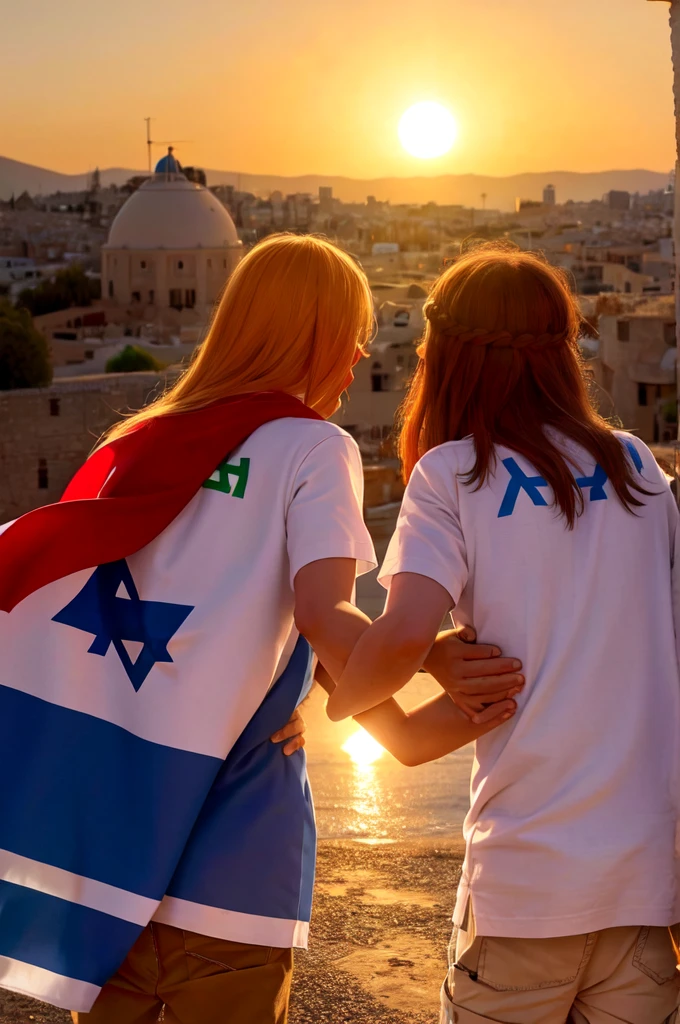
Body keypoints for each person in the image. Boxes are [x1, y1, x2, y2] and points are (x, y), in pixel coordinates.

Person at [0, 234, 522, 1024]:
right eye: (348, 332)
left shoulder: (130, 445)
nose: (356, 357)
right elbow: (325, 615)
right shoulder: (313, 447)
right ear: (307, 336)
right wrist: (429, 654)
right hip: (234, 865)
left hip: (105, 869)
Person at [326, 243, 680, 1024]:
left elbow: (400, 639)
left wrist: (353, 688)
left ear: (448, 359)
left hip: (524, 895)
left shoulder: (453, 473)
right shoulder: (637, 468)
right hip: (645, 895)